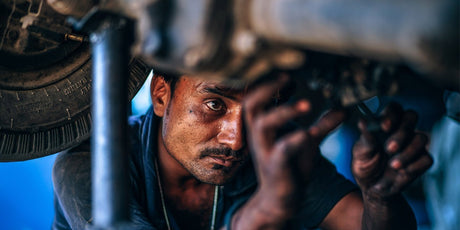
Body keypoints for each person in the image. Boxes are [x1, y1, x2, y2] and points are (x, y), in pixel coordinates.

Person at [52, 72, 433, 230]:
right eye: (215, 104)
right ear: (161, 95)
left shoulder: (274, 153)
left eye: (258, 111)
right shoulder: (87, 167)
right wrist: (260, 215)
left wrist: (379, 197)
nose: (237, 141)